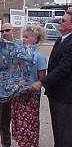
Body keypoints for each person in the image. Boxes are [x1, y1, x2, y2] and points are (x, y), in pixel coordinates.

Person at [32, 10, 72, 147]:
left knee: (65, 132)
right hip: (55, 94)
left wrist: (41, 82)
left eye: (63, 20)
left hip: (65, 97)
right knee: (57, 129)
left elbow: (63, 69)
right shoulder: (61, 39)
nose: (59, 22)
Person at [11, 25, 47, 147]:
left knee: (29, 124)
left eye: (26, 37)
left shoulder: (39, 57)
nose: (24, 39)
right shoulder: (18, 54)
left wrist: (31, 89)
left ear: (35, 39)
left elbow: (42, 78)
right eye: (23, 37)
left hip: (31, 96)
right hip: (18, 94)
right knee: (19, 125)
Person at [0, 22, 14, 147]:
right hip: (3, 90)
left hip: (18, 89)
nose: (4, 33)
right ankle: (6, 143)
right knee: (3, 120)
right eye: (2, 31)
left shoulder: (19, 47)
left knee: (21, 119)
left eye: (6, 30)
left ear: (12, 31)